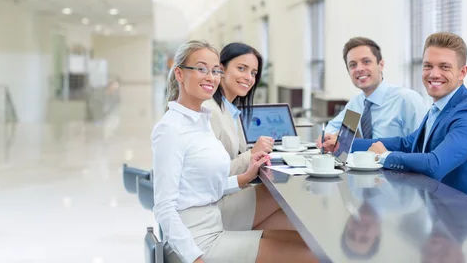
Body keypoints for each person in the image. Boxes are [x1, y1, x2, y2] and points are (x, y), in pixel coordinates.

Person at [153, 40, 317, 263]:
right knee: (310, 257)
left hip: (213, 220)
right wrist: (195, 258)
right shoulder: (170, 129)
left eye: (215, 71)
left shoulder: (201, 119)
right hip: (197, 240)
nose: (211, 77)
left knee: (307, 244)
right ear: (180, 74)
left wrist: (242, 178)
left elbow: (202, 185)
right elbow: (164, 207)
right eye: (202, 69)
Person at [325, 32, 467, 214]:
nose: (434, 73)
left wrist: (384, 157)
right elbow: (406, 144)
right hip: (449, 214)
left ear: (462, 72)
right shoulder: (439, 108)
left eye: (444, 67)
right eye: (428, 66)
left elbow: (436, 164)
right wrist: (344, 144)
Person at [317, 37, 427, 149]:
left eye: (366, 62)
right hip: (364, 165)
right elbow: (333, 126)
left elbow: (422, 146)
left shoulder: (407, 99)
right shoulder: (357, 102)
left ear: (381, 65)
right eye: (353, 65)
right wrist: (328, 138)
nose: (359, 68)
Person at [203, 42, 274, 175]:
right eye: (241, 68)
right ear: (221, 70)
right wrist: (252, 153)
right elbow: (214, 173)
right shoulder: (210, 112)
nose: (248, 78)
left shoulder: (231, 110)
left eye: (253, 73)